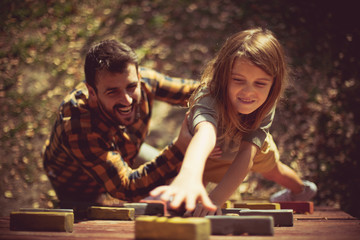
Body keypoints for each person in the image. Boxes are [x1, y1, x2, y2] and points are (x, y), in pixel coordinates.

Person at [150, 28, 317, 216]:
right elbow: (205, 132)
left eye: (260, 83)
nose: (248, 92)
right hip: (207, 155)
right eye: (238, 80)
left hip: (252, 153)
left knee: (274, 171)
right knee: (188, 196)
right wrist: (189, 175)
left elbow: (247, 155)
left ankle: (300, 191)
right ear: (223, 76)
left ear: (273, 83)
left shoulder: (266, 102)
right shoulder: (208, 96)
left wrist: (215, 201)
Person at [42, 39, 198, 216]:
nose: (127, 100)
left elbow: (195, 91)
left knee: (178, 174)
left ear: (139, 78)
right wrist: (180, 147)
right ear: (92, 92)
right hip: (77, 182)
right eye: (113, 92)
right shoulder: (75, 125)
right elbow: (127, 188)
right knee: (87, 222)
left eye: (131, 87)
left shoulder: (145, 81)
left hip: (125, 150)